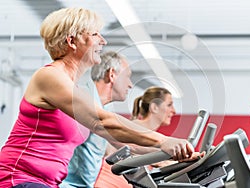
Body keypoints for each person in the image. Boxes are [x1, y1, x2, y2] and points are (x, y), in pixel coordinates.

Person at [0, 7, 194, 188]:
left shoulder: (78, 90)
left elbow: (126, 143)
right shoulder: (50, 76)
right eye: (94, 34)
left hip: (46, 183)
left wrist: (175, 154)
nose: (103, 40)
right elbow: (101, 121)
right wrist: (163, 140)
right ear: (72, 41)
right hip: (17, 177)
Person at [60, 51, 132, 187]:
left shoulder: (104, 107)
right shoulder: (83, 99)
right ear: (112, 75)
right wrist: (165, 147)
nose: (130, 84)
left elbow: (110, 147)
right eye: (127, 77)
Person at [94, 86, 178, 187]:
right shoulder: (135, 129)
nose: (174, 111)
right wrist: (171, 156)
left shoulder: (146, 133)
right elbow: (137, 149)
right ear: (154, 107)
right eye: (169, 105)